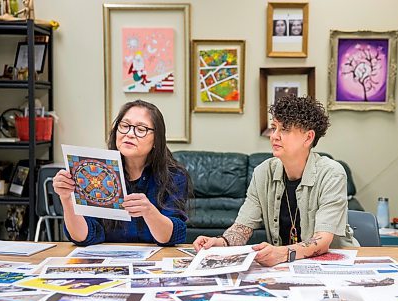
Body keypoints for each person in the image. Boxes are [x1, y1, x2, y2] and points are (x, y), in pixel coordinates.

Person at [193, 95, 358, 266]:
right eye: (274, 128)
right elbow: (242, 229)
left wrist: (281, 253)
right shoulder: (263, 172)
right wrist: (220, 243)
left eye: (284, 129)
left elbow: (322, 241)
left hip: (333, 265)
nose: (274, 136)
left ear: (308, 138)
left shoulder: (332, 173)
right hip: (288, 266)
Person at [53, 99, 190, 246]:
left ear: (156, 139)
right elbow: (82, 236)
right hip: (106, 261)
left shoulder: (174, 176)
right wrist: (66, 199)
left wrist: (149, 211)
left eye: (141, 129)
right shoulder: (97, 172)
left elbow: (170, 237)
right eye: (124, 126)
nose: (130, 134)